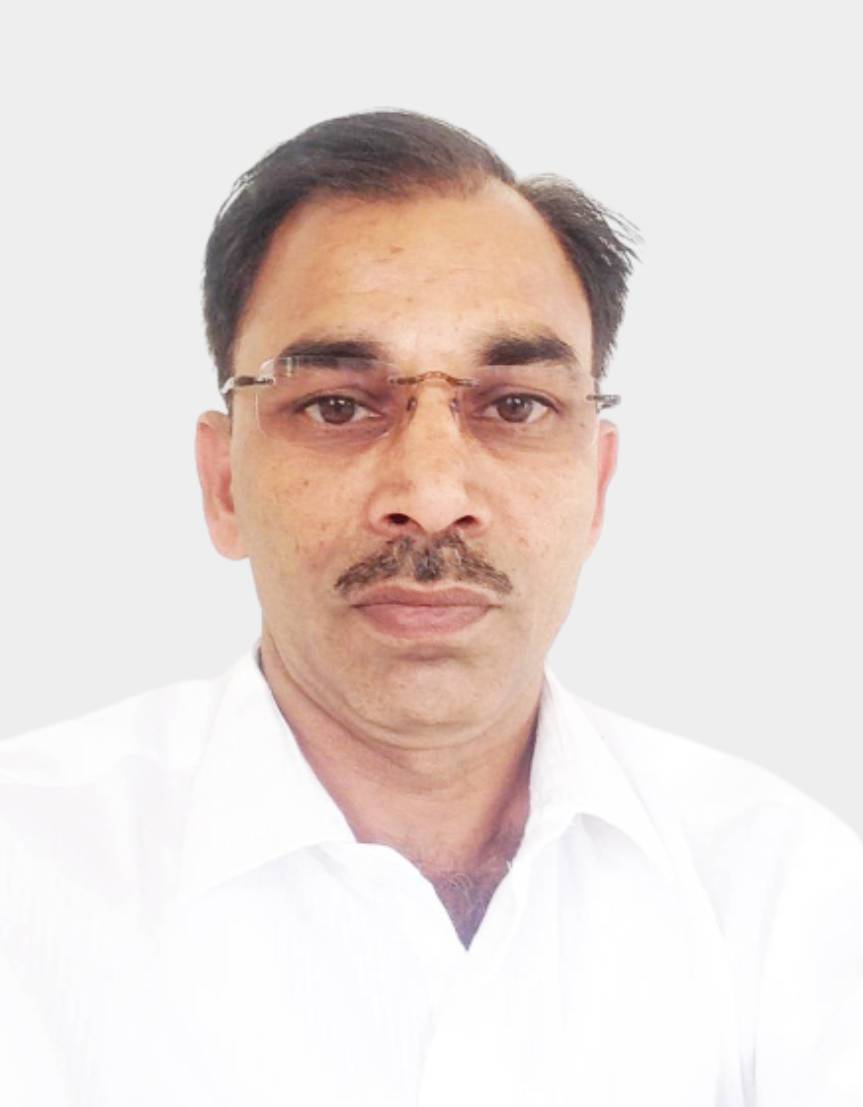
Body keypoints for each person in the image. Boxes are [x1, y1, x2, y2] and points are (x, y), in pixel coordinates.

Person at [1, 111, 860, 1107]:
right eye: (336, 405)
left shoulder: (788, 897)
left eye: (514, 406)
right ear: (223, 480)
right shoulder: (28, 879)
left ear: (596, 485)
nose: (433, 491)